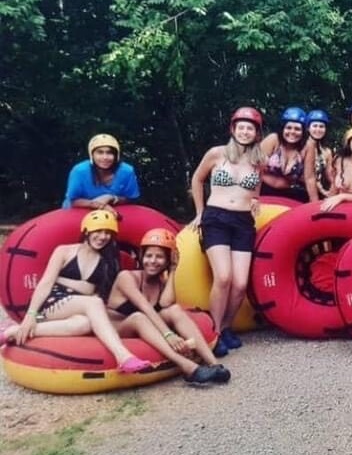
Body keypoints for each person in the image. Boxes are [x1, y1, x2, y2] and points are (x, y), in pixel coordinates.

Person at [3, 211, 152, 373]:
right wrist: (30, 315)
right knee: (93, 302)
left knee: (85, 324)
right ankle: (123, 356)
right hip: (52, 301)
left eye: (108, 233)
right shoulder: (64, 251)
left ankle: (12, 332)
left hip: (79, 306)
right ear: (87, 230)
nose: (103, 237)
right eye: (99, 231)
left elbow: (98, 294)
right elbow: (46, 283)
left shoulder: (107, 262)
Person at [106, 229, 229, 384]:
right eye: (149, 256)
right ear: (141, 256)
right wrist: (168, 335)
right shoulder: (126, 277)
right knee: (139, 317)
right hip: (118, 326)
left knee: (175, 310)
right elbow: (145, 307)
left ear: (167, 260)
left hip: (148, 327)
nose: (152, 261)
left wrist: (172, 271)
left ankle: (214, 364)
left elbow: (166, 304)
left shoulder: (160, 283)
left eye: (159, 257)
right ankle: (189, 368)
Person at [189, 106, 265, 354]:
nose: (245, 132)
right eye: (241, 127)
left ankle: (227, 326)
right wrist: (200, 212)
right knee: (223, 277)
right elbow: (197, 179)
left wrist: (255, 201)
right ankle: (215, 333)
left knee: (241, 284)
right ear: (233, 129)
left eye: (250, 128)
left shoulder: (257, 161)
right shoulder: (217, 153)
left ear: (256, 133)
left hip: (243, 221)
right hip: (217, 218)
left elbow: (255, 191)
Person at [63, 134, 141, 211]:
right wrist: (96, 205)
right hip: (79, 211)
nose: (105, 157)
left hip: (114, 211)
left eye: (110, 153)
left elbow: (131, 199)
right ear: (92, 155)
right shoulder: (79, 171)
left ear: (116, 155)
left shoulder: (127, 171)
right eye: (100, 152)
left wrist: (111, 198)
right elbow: (73, 200)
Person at [259, 107, 315, 203]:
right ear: (283, 129)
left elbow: (309, 178)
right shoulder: (273, 139)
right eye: (288, 128)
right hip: (262, 190)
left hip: (288, 194)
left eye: (297, 129)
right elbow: (252, 167)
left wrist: (315, 204)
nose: (292, 132)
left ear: (303, 131)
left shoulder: (308, 146)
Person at [305, 109, 334, 201]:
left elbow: (330, 175)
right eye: (315, 126)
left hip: (317, 191)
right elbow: (307, 176)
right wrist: (322, 191)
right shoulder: (302, 146)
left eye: (321, 126)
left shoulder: (327, 151)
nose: (318, 129)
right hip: (299, 189)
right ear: (308, 128)